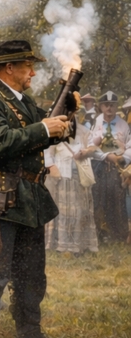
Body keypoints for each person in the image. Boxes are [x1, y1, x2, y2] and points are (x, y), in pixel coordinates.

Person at [0, 40, 72, 338]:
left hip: (27, 200)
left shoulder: (21, 101)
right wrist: (43, 128)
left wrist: (68, 112)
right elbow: (0, 143)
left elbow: (54, 128)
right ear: (9, 67)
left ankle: (29, 336)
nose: (33, 72)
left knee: (31, 275)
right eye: (28, 66)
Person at [44, 125, 99, 255]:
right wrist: (53, 170)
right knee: (62, 213)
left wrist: (86, 152)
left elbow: (94, 147)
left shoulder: (83, 130)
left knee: (80, 211)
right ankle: (62, 246)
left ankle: (79, 245)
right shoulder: (54, 130)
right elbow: (47, 154)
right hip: (62, 179)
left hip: (80, 178)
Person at [88, 91, 130, 243]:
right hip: (98, 166)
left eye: (112, 105)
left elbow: (129, 148)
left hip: (116, 169)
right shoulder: (95, 122)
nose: (109, 108)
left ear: (116, 106)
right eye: (106, 105)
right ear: (101, 106)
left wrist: (120, 157)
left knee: (116, 200)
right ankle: (97, 235)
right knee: (97, 200)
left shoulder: (123, 125)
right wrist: (106, 156)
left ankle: (117, 236)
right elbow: (89, 147)